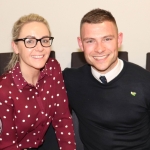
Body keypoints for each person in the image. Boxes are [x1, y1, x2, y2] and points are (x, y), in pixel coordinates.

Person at [63, 8, 150, 150]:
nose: (99, 49)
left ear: (119, 39)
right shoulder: (70, 80)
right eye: (90, 41)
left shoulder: (146, 82)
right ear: (80, 43)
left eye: (107, 39)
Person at [0, 13, 76, 150]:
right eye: (29, 41)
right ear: (16, 47)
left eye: (45, 40)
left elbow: (62, 118)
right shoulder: (4, 90)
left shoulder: (53, 68)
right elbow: (7, 145)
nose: (40, 47)